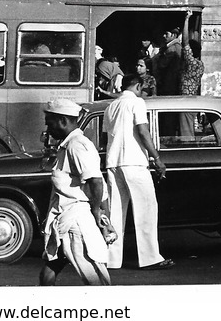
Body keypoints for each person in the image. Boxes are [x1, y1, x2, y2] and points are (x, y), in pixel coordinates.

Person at [103, 73, 174, 271]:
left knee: (115, 212)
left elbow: (105, 137)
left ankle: (112, 259)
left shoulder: (110, 107)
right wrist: (157, 158)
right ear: (138, 86)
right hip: (134, 162)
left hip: (113, 162)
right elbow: (143, 131)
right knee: (146, 210)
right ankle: (150, 257)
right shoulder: (137, 103)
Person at [38, 99, 112, 287]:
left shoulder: (77, 146)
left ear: (63, 121)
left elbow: (95, 181)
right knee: (49, 269)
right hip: (64, 221)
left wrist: (98, 213)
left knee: (96, 280)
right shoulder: (67, 145)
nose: (48, 128)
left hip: (75, 223)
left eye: (50, 123)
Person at [152, 26, 183, 95]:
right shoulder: (172, 47)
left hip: (169, 82)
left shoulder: (172, 48)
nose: (164, 36)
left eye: (166, 34)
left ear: (174, 35)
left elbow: (162, 64)